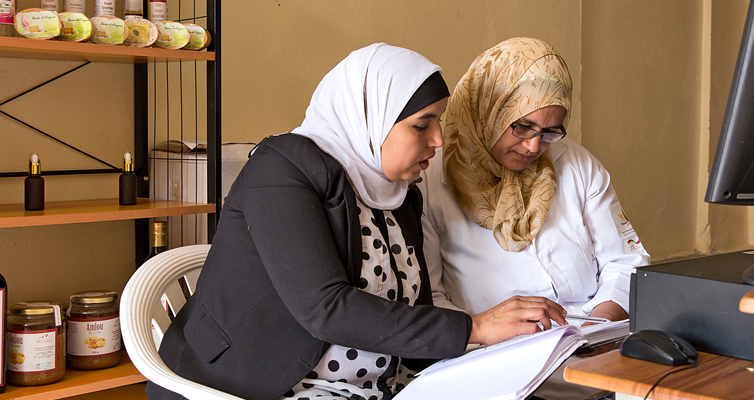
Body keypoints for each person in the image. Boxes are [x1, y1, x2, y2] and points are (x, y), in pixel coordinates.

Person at [146, 43, 568, 400]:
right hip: (264, 381)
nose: (438, 139)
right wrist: (475, 327)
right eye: (422, 124)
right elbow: (325, 308)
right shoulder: (281, 171)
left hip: (377, 384)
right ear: (372, 117)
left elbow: (412, 307)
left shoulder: (399, 191)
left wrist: (493, 356)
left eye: (439, 121)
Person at [418, 37, 651, 398]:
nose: (533, 146)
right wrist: (485, 330)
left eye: (549, 131)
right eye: (522, 126)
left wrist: (600, 326)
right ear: (489, 110)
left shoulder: (576, 165)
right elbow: (429, 298)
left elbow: (627, 261)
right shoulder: (430, 180)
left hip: (595, 355)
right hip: (494, 366)